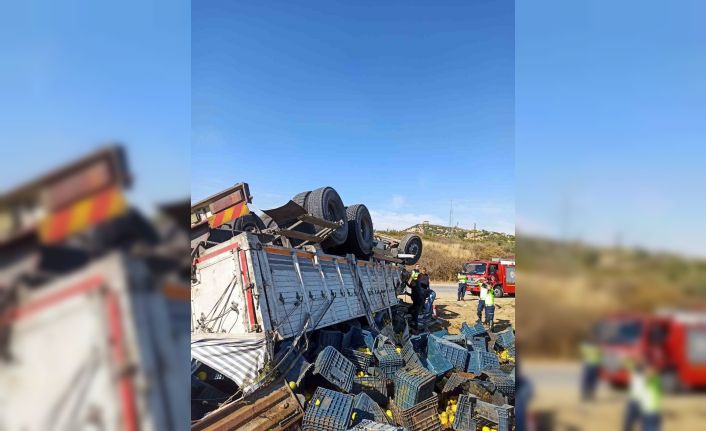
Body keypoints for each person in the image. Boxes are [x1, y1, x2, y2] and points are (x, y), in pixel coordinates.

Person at [623, 357, 645, 431]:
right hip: (635, 400)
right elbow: (626, 362)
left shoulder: (642, 374)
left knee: (632, 422)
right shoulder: (635, 373)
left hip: (638, 401)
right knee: (629, 422)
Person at [579, 336, 601, 401]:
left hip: (590, 365)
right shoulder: (595, 348)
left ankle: (586, 395)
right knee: (591, 382)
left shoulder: (585, 347)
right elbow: (599, 353)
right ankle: (589, 395)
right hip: (592, 365)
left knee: (587, 381)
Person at [640, 365, 662, 431]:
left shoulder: (655, 381)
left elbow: (651, 376)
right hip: (646, 412)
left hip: (652, 412)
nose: (646, 373)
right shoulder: (647, 383)